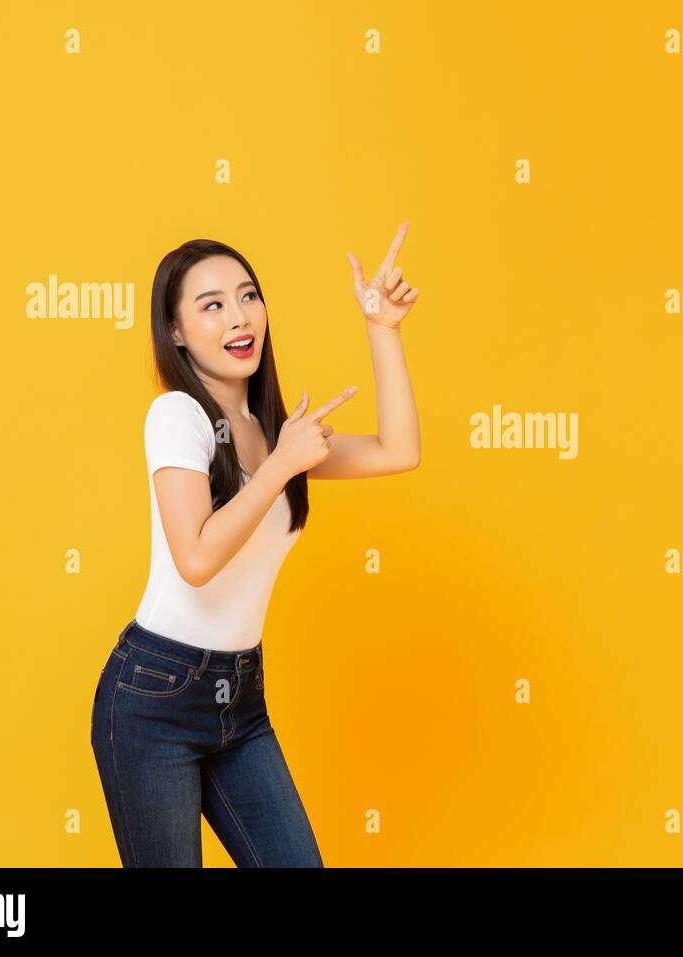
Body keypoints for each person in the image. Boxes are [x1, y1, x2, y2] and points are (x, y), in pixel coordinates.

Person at [90, 224, 422, 867]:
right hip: (153, 697)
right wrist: (280, 466)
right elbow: (196, 558)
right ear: (177, 331)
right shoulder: (177, 416)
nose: (239, 317)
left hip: (240, 697)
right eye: (211, 304)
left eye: (248, 296)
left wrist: (383, 329)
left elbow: (398, 451)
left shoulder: (274, 431)